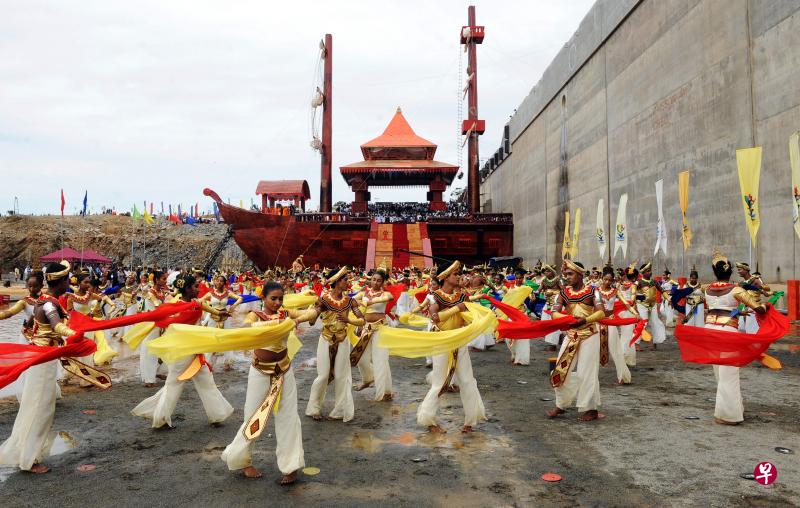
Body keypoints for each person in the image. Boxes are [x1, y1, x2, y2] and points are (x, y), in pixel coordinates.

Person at [222, 282, 315, 484]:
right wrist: (279, 323)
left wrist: (311, 312)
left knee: (289, 417)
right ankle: (242, 462)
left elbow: (311, 315)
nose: (277, 302)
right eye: (273, 298)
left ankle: (291, 467)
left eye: (281, 298)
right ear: (263, 298)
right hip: (260, 372)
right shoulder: (255, 315)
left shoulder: (286, 314)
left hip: (284, 370)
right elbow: (246, 328)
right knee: (252, 416)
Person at [131, 274, 234, 429]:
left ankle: (217, 415)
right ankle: (160, 419)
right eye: (195, 286)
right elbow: (169, 327)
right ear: (186, 289)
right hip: (182, 353)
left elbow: (206, 307)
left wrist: (220, 313)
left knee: (206, 380)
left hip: (196, 351)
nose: (198, 289)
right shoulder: (175, 306)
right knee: (174, 384)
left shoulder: (196, 302)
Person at [0, 262, 74, 473]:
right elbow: (57, 326)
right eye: (67, 280)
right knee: (40, 411)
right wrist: (74, 334)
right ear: (60, 282)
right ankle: (29, 460)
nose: (69, 283)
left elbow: (44, 327)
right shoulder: (49, 304)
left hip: (42, 359)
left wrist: (61, 338)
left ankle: (27, 453)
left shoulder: (44, 300)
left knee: (35, 407)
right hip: (42, 363)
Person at [418, 261, 486, 433]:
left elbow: (470, 315)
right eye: (455, 274)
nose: (459, 276)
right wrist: (457, 309)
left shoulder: (463, 296)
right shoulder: (436, 296)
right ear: (445, 277)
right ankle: (429, 421)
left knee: (467, 380)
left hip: (460, 342)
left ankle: (470, 421)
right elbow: (435, 317)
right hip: (442, 342)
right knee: (440, 383)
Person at [704, 252, 766, 425]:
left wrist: (739, 311)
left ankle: (730, 409)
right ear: (730, 273)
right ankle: (727, 415)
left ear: (715, 273)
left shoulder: (707, 289)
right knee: (729, 373)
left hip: (710, 330)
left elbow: (717, 308)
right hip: (727, 332)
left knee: (720, 372)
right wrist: (765, 305)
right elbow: (759, 310)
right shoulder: (736, 289)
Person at [547, 259, 607, 422]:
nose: (567, 277)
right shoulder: (563, 292)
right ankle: (561, 404)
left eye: (570, 274)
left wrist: (584, 320)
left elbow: (601, 313)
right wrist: (569, 318)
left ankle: (591, 409)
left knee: (586, 373)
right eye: (566, 274)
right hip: (571, 335)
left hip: (589, 334)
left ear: (580, 275)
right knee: (559, 369)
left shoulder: (594, 291)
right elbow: (554, 312)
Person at [305, 267, 364, 422]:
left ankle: (340, 410)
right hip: (326, 339)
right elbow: (313, 319)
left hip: (343, 341)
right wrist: (312, 314)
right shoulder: (324, 299)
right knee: (323, 375)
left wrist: (349, 320)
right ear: (337, 282)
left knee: (342, 376)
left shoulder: (350, 301)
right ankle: (313, 408)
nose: (348, 282)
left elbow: (362, 319)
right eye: (345, 279)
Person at [350, 270, 394, 401]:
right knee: (361, 358)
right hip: (366, 328)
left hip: (381, 329)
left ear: (383, 282)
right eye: (373, 279)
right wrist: (357, 310)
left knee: (381, 360)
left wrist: (370, 302)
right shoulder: (363, 293)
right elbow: (350, 300)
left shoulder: (386, 293)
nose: (375, 282)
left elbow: (389, 298)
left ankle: (384, 392)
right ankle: (368, 378)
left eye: (378, 280)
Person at [597, 265, 636, 385]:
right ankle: (590, 377)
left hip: (611, 323)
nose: (607, 282)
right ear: (602, 278)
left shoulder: (615, 291)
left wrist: (635, 314)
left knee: (616, 350)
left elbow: (627, 304)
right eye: (605, 279)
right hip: (597, 323)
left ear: (613, 280)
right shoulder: (595, 291)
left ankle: (623, 377)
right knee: (593, 351)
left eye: (610, 280)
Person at [199, 274, 243, 371]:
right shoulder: (210, 293)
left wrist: (233, 306)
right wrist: (208, 307)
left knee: (227, 338)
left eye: (221, 281)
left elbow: (240, 298)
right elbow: (200, 301)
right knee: (211, 338)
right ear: (214, 282)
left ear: (224, 283)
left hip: (225, 318)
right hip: (213, 317)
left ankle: (228, 362)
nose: (219, 282)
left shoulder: (227, 293)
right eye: (217, 281)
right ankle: (207, 362)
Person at [634, 262, 666, 350]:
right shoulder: (639, 282)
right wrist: (634, 303)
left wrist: (669, 299)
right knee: (642, 323)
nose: (650, 272)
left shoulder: (654, 282)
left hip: (653, 305)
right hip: (642, 305)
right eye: (647, 271)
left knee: (655, 322)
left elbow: (662, 290)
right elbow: (633, 293)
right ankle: (636, 343)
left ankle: (655, 343)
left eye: (650, 271)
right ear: (643, 273)